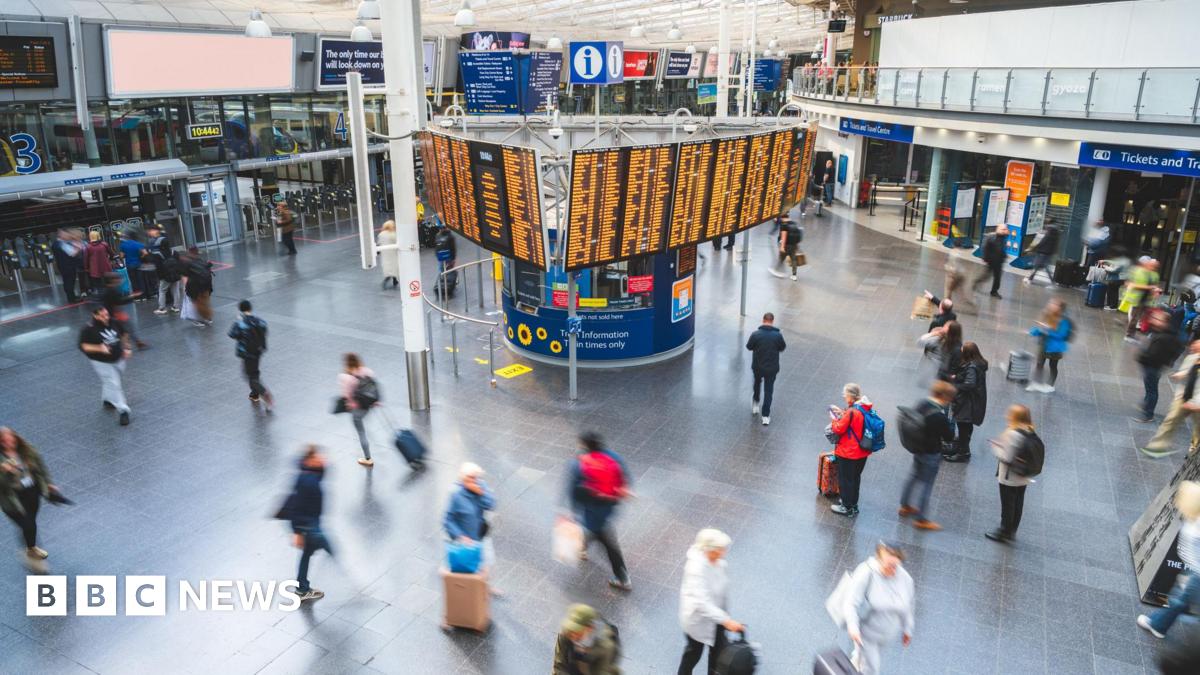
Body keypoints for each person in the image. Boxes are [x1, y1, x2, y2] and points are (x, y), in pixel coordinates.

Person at [568, 432, 632, 591]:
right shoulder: (613, 457)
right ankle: (582, 547)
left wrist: (572, 509)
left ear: (585, 446)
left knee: (608, 544)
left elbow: (575, 491)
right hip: (609, 507)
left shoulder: (580, 464)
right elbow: (625, 481)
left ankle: (623, 577)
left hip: (592, 511)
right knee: (593, 531)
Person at [841, 541, 915, 675]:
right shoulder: (866, 572)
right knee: (871, 669)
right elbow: (850, 602)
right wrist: (853, 626)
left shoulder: (905, 578)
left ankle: (853, 665)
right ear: (879, 560)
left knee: (860, 663)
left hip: (885, 635)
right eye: (889, 566)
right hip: (866, 635)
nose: (893, 571)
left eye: (896, 566)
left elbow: (908, 605)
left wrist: (907, 628)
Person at [1137, 481, 1200, 639]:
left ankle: (1158, 625)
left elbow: (1192, 554)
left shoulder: (1194, 527)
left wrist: (1190, 576)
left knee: (1178, 601)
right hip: (1195, 571)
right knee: (1180, 600)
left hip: (1197, 574)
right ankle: (1159, 625)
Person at [677, 529, 743, 674]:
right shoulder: (695, 569)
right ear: (710, 550)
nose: (724, 552)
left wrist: (725, 618)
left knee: (717, 655)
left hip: (717, 620)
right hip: (699, 622)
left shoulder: (720, 564)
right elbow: (701, 602)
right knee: (693, 654)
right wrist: (726, 621)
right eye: (720, 549)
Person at [898, 381, 956, 531]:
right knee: (927, 484)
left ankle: (905, 506)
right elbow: (949, 437)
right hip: (931, 453)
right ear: (945, 397)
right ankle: (921, 519)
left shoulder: (922, 403)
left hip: (918, 448)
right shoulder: (939, 416)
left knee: (913, 477)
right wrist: (948, 422)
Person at [278, 445, 329, 602]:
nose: (322, 459)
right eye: (316, 457)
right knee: (331, 548)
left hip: (310, 524)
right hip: (308, 526)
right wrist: (297, 532)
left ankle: (302, 588)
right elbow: (296, 507)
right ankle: (355, 581)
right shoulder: (306, 481)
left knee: (308, 554)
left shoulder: (311, 476)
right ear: (308, 461)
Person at [0, 427, 60, 561]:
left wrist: (48, 483)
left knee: (31, 521)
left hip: (32, 492)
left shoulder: (26, 450)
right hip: (13, 499)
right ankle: (31, 550)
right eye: (4, 441)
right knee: (28, 524)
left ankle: (30, 545)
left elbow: (40, 466)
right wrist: (5, 472)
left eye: (11, 439)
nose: (8, 443)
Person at [985, 404, 1040, 543]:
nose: (1006, 416)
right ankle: (1012, 530)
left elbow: (1006, 457)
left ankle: (1004, 532)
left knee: (1007, 505)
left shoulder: (1012, 433)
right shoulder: (1030, 430)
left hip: (1010, 477)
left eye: (1010, 414)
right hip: (1023, 476)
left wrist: (996, 447)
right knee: (1018, 502)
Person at [1141, 341, 1200, 458]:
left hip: (1197, 404)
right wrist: (1180, 375)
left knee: (1198, 430)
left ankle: (1194, 452)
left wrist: (1196, 404)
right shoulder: (1193, 357)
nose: (1193, 346)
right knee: (1170, 421)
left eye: (1197, 345)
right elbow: (1188, 371)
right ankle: (1156, 447)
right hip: (1184, 397)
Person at [78, 306, 132, 426]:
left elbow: (124, 334)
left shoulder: (114, 322)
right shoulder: (88, 329)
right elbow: (83, 346)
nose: (106, 318)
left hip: (118, 359)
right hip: (101, 362)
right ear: (95, 316)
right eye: (103, 316)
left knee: (110, 381)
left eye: (107, 314)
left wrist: (127, 347)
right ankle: (123, 411)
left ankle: (107, 399)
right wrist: (99, 348)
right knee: (114, 384)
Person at [443, 462, 497, 575]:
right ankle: (475, 588)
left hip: (481, 533)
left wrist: (481, 493)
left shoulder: (481, 486)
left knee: (489, 561)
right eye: (471, 478)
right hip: (468, 539)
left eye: (476, 477)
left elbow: (491, 504)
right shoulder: (456, 495)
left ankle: (486, 586)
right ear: (463, 478)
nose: (474, 481)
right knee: (471, 567)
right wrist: (460, 536)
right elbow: (448, 520)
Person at [828, 383, 873, 517]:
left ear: (850, 396)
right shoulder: (864, 407)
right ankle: (853, 504)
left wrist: (834, 419)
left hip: (849, 452)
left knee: (845, 479)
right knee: (855, 478)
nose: (844, 396)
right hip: (862, 451)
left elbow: (838, 429)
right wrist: (843, 413)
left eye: (845, 394)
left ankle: (846, 507)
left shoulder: (852, 411)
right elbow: (856, 422)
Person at [1136, 309, 1185, 423]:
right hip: (1152, 365)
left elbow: (1154, 355)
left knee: (1151, 390)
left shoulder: (1165, 337)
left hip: (1153, 366)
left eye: (1157, 319)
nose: (1153, 320)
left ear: (1165, 322)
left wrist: (1143, 357)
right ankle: (1146, 405)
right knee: (1150, 388)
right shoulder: (1161, 331)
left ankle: (1148, 414)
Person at [945, 342, 988, 462]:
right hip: (972, 402)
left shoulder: (972, 367)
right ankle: (962, 449)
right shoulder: (978, 364)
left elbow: (970, 384)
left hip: (967, 403)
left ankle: (963, 453)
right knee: (966, 428)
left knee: (963, 427)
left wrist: (956, 386)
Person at [228, 300, 273, 411]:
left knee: (249, 375)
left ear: (240, 309)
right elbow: (265, 329)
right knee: (255, 372)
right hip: (258, 351)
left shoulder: (240, 322)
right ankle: (255, 394)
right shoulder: (259, 320)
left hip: (247, 352)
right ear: (250, 308)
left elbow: (232, 334)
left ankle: (264, 393)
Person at [553, 603, 622, 675]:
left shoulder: (606, 646)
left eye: (577, 630)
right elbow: (559, 666)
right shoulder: (566, 634)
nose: (572, 634)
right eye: (571, 629)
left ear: (589, 628)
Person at [336, 353, 377, 467]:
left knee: (361, 433)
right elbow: (374, 385)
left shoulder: (345, 377)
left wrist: (349, 403)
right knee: (364, 426)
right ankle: (371, 441)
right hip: (368, 405)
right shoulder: (367, 371)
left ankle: (368, 458)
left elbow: (346, 395)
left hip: (357, 409)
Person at [746, 312, 786, 426]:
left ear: (763, 320)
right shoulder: (777, 335)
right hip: (772, 368)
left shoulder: (756, 334)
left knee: (757, 384)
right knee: (769, 391)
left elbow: (749, 347)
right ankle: (765, 416)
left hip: (758, 366)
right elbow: (782, 347)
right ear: (772, 321)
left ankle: (755, 403)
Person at [1027, 299, 1070, 393]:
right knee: (1039, 364)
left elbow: (1061, 335)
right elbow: (1039, 328)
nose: (1051, 305)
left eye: (1055, 304)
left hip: (1055, 348)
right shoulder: (1046, 314)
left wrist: (1048, 329)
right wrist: (1033, 332)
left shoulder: (1064, 321)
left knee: (1053, 366)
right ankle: (1036, 383)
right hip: (1044, 345)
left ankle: (1050, 385)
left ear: (1060, 308)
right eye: (1051, 303)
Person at [1120, 256, 1161, 341]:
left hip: (1147, 299)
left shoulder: (1154, 274)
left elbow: (1155, 285)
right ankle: (1129, 335)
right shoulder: (1137, 271)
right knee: (1134, 317)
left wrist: (1156, 291)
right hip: (1137, 298)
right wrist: (1149, 287)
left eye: (1156, 266)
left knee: (1145, 317)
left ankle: (1146, 332)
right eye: (1152, 265)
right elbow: (1130, 284)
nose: (1154, 267)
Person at [917, 320, 962, 385]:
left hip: (935, 375)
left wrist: (932, 334)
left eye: (946, 326)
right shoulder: (958, 345)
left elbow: (920, 342)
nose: (943, 326)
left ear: (950, 330)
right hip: (942, 377)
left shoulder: (939, 339)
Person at [973, 224, 1008, 299]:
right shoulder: (991, 237)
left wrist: (1004, 256)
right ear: (998, 229)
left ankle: (994, 291)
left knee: (997, 277)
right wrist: (985, 258)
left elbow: (1001, 248)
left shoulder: (1003, 237)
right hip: (991, 260)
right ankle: (976, 282)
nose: (1005, 231)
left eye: (1005, 229)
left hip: (999, 261)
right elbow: (985, 247)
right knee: (986, 276)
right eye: (1003, 229)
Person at [182, 247, 214, 327]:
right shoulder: (201, 260)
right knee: (205, 301)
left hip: (195, 286)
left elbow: (184, 275)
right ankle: (208, 317)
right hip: (206, 284)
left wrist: (185, 287)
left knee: (198, 302)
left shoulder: (187, 262)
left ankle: (205, 317)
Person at [51, 228, 84, 303]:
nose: (67, 235)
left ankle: (72, 296)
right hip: (67, 267)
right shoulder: (60, 244)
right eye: (65, 234)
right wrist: (78, 248)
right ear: (61, 234)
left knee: (68, 282)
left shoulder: (58, 243)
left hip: (64, 266)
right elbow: (72, 253)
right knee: (69, 282)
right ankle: (72, 299)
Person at [154, 243, 183, 315]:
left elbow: (158, 268)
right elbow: (180, 264)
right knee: (176, 290)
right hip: (176, 275)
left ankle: (162, 308)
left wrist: (160, 277)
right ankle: (176, 307)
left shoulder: (159, 255)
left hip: (165, 277)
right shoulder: (175, 252)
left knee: (162, 291)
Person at [117, 231, 147, 299]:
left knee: (133, 281)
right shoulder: (138, 244)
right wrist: (140, 257)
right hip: (138, 264)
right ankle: (144, 296)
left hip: (129, 265)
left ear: (128, 237)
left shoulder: (123, 245)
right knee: (141, 280)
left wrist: (126, 256)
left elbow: (121, 256)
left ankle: (137, 297)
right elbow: (145, 253)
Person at [376, 220, 400, 289]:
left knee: (388, 268)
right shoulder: (393, 234)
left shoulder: (381, 234)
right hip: (393, 254)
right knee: (394, 268)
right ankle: (388, 281)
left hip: (385, 254)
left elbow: (379, 244)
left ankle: (395, 280)